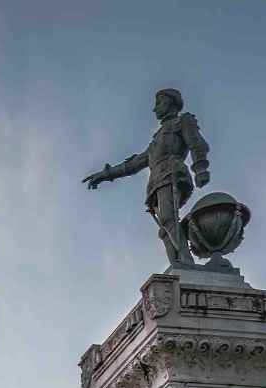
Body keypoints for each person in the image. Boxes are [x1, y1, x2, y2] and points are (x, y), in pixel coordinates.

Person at [84, 87, 211, 266]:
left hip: (172, 173)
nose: (155, 108)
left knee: (168, 219)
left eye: (159, 103)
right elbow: (134, 164)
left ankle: (187, 262)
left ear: (171, 103)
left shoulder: (182, 122)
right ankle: (178, 265)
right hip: (156, 182)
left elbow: (198, 144)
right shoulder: (157, 139)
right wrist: (105, 174)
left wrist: (201, 169)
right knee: (164, 228)